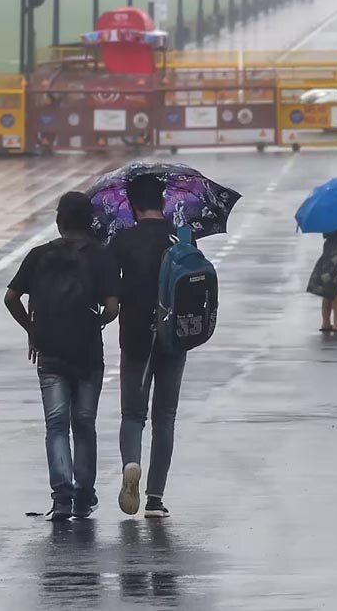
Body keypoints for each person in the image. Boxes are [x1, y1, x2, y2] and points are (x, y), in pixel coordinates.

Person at [4, 192, 120, 522]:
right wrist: (96, 322)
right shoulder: (101, 256)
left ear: (59, 221)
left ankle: (62, 497)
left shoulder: (39, 255)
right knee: (84, 423)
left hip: (50, 351)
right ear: (89, 222)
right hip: (87, 353)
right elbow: (112, 308)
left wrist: (32, 329)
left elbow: (11, 297)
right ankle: (84, 493)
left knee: (56, 425)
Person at [109, 174, 187, 519]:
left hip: (136, 335)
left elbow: (111, 291)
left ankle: (131, 465)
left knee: (132, 414)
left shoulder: (122, 241)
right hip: (175, 335)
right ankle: (155, 498)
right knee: (165, 417)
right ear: (164, 200)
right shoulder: (182, 237)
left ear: (132, 203)